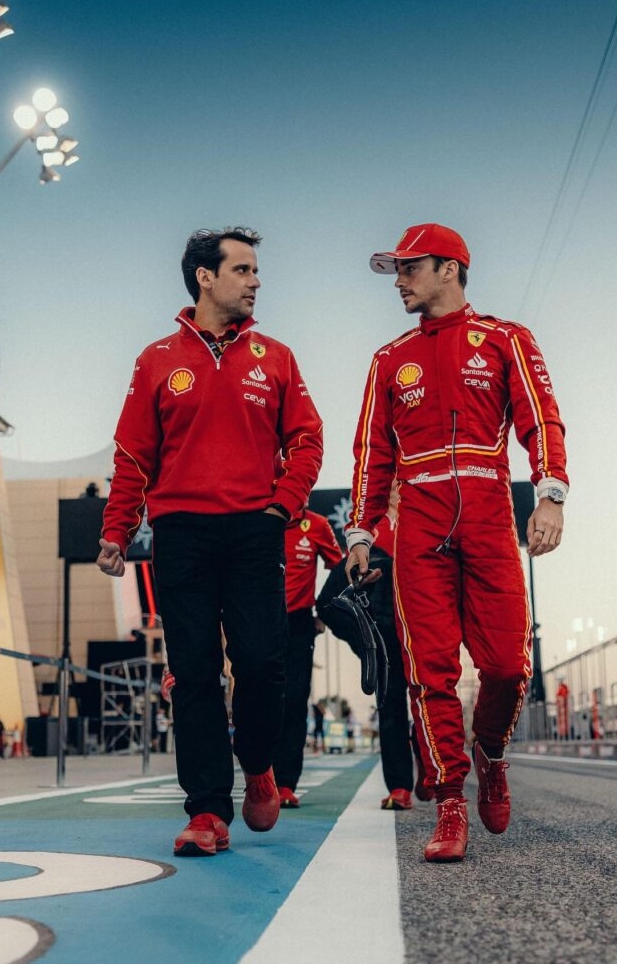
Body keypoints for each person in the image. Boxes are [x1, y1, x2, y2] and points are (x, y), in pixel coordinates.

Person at [345, 223, 568, 863]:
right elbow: (371, 453)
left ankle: (490, 751)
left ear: (450, 268)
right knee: (428, 671)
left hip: (488, 516)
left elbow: (540, 418)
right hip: (417, 523)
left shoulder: (504, 339)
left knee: (505, 664)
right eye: (395, 269)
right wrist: (362, 530)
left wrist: (550, 494)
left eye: (409, 267)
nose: (399, 280)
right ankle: (448, 803)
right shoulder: (389, 360)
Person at [97, 227, 323, 858]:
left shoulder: (276, 357)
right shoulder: (157, 360)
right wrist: (117, 530)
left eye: (256, 271)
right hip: (181, 534)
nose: (256, 281)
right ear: (205, 276)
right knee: (193, 674)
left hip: (255, 529)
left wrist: (281, 505)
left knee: (261, 663)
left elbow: (307, 440)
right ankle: (205, 811)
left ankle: (258, 766)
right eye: (244, 269)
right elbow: (133, 456)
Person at [317, 503, 426, 810]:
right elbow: (326, 603)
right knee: (391, 712)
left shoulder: (425, 509)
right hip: (385, 641)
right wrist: (366, 645)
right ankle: (400, 787)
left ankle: (432, 770)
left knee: (430, 702)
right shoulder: (366, 529)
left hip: (424, 632)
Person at [272, 503, 342, 808]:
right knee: (261, 698)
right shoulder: (258, 518)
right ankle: (261, 778)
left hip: (300, 623)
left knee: (296, 699)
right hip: (260, 620)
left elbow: (340, 569)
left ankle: (286, 783)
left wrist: (325, 612)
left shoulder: (316, 525)